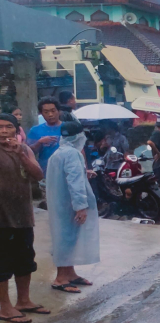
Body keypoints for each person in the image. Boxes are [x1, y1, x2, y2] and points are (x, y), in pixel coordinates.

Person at [0, 113, 49, 323]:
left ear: (16, 130)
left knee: (25, 260)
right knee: (2, 263)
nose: (3, 131)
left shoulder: (25, 150)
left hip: (23, 216)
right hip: (1, 218)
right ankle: (4, 307)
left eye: (8, 127)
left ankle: (24, 301)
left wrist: (20, 154)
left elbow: (38, 175)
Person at [46, 120, 99, 293]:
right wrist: (80, 206)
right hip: (69, 205)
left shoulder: (59, 153)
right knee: (65, 240)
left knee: (69, 238)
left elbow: (69, 175)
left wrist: (85, 173)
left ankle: (70, 273)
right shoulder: (72, 154)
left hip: (60, 203)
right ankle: (61, 278)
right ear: (79, 136)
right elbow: (74, 181)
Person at [27, 97, 63, 174]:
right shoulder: (35, 130)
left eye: (53, 111)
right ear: (41, 113)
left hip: (67, 170)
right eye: (46, 112)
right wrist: (39, 142)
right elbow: (28, 151)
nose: (50, 114)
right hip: (45, 171)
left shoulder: (68, 128)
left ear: (59, 111)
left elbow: (80, 149)